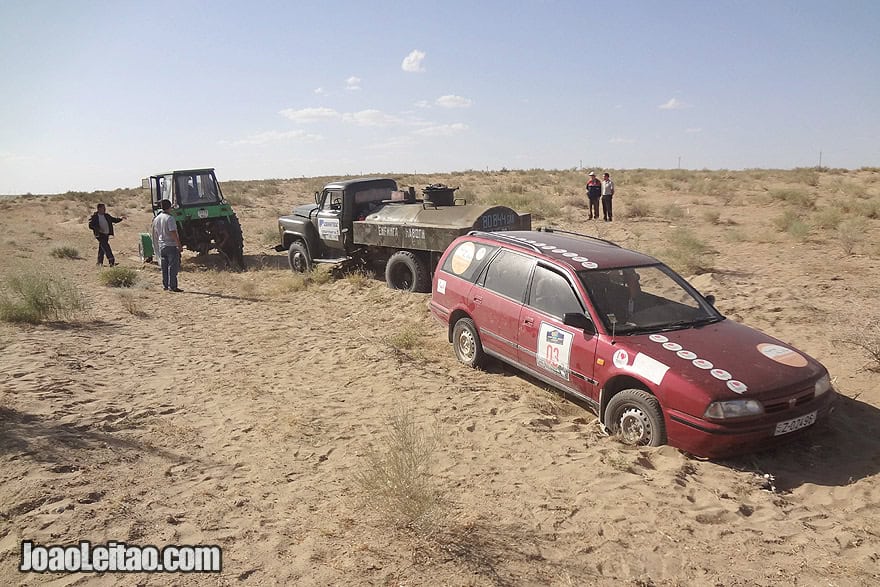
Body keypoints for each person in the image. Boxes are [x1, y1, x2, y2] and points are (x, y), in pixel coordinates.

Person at [151, 199, 183, 292]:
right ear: (170, 207)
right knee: (173, 267)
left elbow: (155, 233)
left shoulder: (157, 218)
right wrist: (179, 245)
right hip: (171, 245)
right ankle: (173, 286)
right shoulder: (170, 218)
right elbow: (173, 232)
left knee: (164, 267)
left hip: (162, 246)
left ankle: (165, 285)